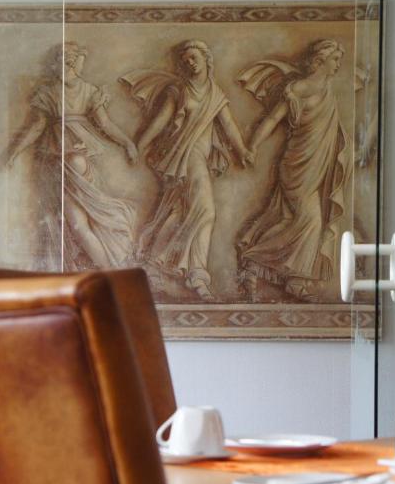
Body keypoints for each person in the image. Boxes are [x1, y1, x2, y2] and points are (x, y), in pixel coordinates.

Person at [120, 39, 250, 301]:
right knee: (206, 211)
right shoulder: (178, 91)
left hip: (199, 155)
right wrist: (139, 145)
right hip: (184, 156)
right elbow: (160, 121)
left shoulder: (215, 94)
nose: (190, 63)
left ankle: (155, 264)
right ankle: (197, 275)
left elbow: (229, 126)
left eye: (194, 58)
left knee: (178, 211)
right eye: (186, 60)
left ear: (206, 60)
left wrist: (243, 151)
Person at [6, 42, 138, 270]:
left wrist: (127, 142)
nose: (67, 67)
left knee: (78, 225)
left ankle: (109, 272)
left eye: (70, 62)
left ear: (76, 64)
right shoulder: (49, 93)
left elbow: (105, 124)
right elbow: (36, 127)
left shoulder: (89, 91)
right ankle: (107, 272)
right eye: (63, 62)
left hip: (74, 160)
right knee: (73, 223)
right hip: (59, 160)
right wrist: (15, 151)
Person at [235, 39, 349, 302]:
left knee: (290, 219)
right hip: (298, 164)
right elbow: (273, 119)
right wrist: (252, 146)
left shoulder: (329, 89)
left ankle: (279, 274)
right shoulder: (296, 89)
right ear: (319, 61)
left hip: (319, 163)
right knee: (311, 219)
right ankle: (258, 260)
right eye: (334, 59)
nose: (338, 65)